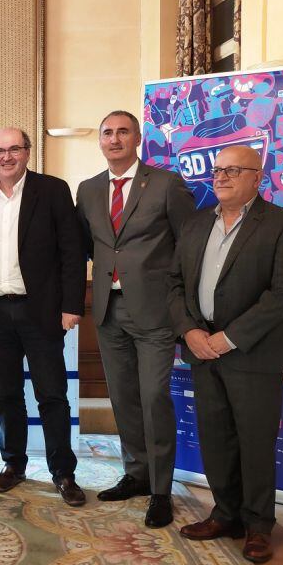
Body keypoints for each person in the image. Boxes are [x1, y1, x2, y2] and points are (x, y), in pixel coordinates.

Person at [167, 145, 283, 564]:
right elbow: (174, 284)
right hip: (202, 350)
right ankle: (225, 513)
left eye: (233, 170)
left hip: (252, 353)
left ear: (256, 177)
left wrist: (228, 338)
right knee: (216, 439)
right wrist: (190, 331)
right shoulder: (194, 224)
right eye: (218, 170)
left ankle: (258, 525)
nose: (221, 177)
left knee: (255, 441)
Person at [76, 110, 195, 528]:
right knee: (124, 399)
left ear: (138, 138)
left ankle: (161, 490)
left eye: (122, 131)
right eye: (106, 132)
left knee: (153, 397)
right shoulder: (88, 190)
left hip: (155, 312)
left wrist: (185, 308)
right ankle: (137, 473)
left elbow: (189, 245)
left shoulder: (165, 184)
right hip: (109, 310)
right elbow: (86, 246)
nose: (114, 139)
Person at [0, 128, 87, 505]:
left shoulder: (52, 190)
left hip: (41, 311)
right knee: (8, 395)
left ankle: (63, 472)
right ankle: (13, 464)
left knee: (52, 395)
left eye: (14, 148)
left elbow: (71, 251)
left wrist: (72, 306)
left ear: (28, 153)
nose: (6, 156)